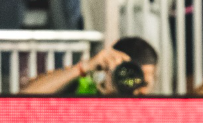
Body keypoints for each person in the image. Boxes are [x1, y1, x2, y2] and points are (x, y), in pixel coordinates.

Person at [20, 36, 158, 95]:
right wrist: (84, 67)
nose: (139, 90)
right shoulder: (84, 85)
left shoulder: (148, 112)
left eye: (144, 83)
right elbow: (22, 99)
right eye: (131, 78)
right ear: (111, 70)